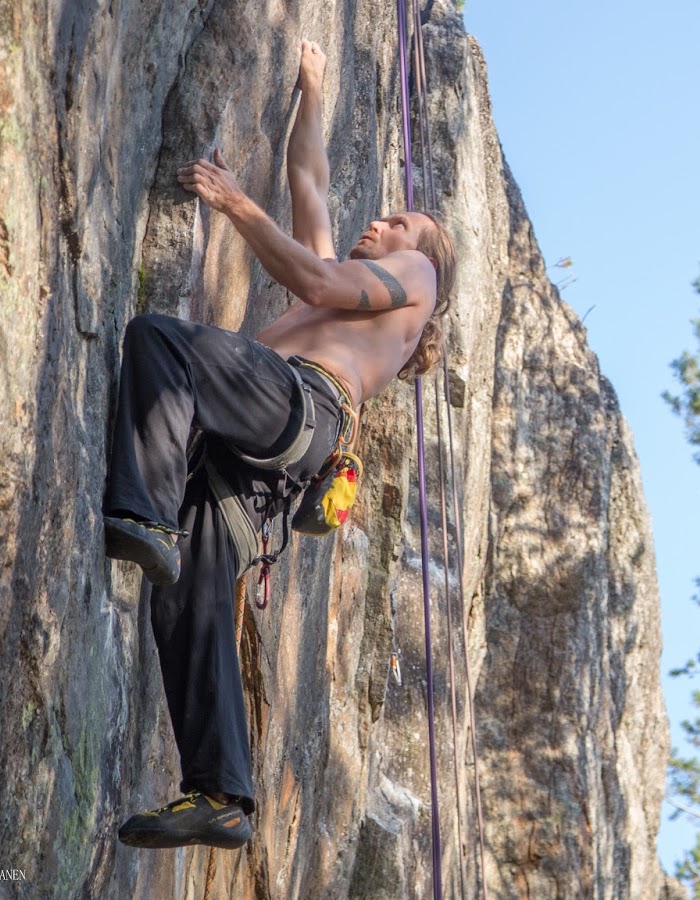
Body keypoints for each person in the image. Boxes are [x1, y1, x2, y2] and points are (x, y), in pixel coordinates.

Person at [106, 40, 455, 850]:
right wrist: (314, 89)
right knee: (185, 594)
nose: (384, 221)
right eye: (389, 216)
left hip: (298, 406)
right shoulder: (351, 287)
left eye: (401, 222)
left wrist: (233, 202)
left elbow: (318, 280)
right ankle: (221, 793)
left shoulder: (420, 278)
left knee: (161, 342)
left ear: (423, 253)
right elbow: (310, 180)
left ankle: (143, 514)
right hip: (264, 457)